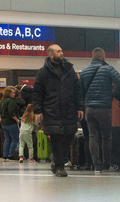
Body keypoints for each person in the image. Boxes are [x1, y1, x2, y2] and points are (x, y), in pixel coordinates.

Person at [79, 47, 120, 173]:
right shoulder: (108, 69)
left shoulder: (84, 72)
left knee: (93, 137)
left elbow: (80, 93)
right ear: (104, 57)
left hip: (89, 109)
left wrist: (80, 108)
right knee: (107, 137)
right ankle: (106, 164)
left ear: (92, 58)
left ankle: (96, 165)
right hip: (104, 109)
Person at [33, 44, 84, 177]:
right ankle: (60, 166)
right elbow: (37, 93)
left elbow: (77, 89)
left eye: (61, 50)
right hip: (51, 110)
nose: (62, 53)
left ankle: (56, 161)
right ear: (51, 55)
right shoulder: (43, 72)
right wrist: (37, 111)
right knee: (56, 138)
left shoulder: (69, 70)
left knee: (69, 136)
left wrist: (80, 107)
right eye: (58, 51)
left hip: (69, 109)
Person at [0, 86, 20, 162]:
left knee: (7, 139)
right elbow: (12, 113)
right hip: (11, 123)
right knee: (15, 139)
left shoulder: (2, 101)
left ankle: (5, 156)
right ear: (9, 93)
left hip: (4, 123)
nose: (14, 94)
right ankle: (10, 156)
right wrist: (17, 120)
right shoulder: (11, 101)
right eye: (13, 93)